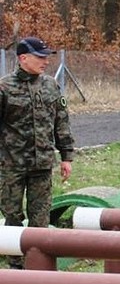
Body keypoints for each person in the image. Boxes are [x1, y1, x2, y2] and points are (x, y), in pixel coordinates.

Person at [0, 37, 75, 269]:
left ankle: (38, 261)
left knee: (40, 218)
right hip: (11, 165)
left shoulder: (51, 86)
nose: (45, 61)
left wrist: (66, 156)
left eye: (46, 57)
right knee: (12, 215)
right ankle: (16, 263)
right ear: (23, 58)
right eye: (40, 57)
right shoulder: (4, 88)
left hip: (42, 164)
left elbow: (61, 121)